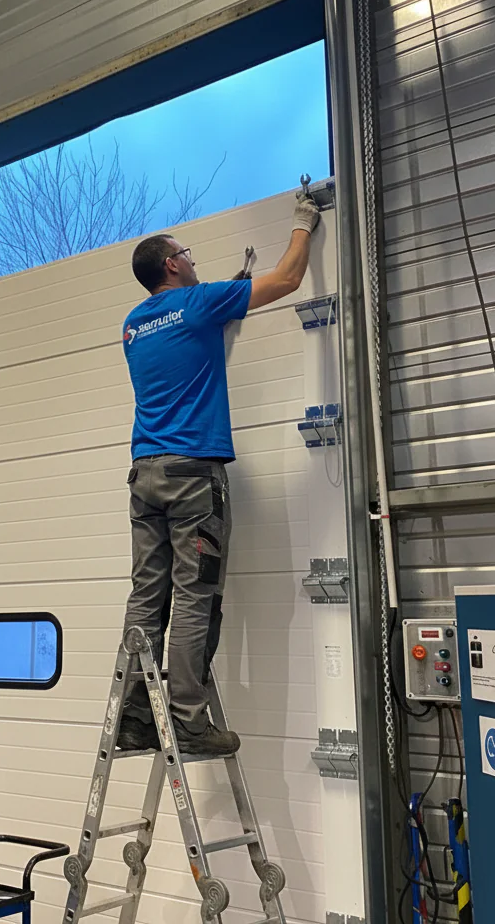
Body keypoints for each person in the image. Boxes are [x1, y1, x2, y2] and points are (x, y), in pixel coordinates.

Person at [116, 186, 322, 756]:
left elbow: (186, 336)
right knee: (195, 593)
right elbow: (286, 280)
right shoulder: (199, 302)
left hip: (145, 473)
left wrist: (220, 294)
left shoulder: (134, 323)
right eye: (190, 254)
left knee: (146, 596)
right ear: (173, 263)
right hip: (191, 476)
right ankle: (185, 717)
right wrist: (303, 222)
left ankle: (134, 716)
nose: (195, 261)